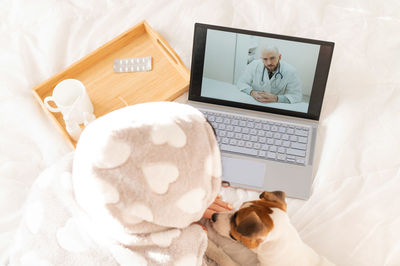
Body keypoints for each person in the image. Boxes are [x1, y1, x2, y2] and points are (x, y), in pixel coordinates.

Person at [237, 44, 302, 104]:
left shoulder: (290, 71)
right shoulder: (254, 65)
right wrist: (252, 92)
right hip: (255, 102)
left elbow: (296, 96)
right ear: (261, 59)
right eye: (265, 59)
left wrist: (276, 98)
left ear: (279, 57)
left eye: (272, 58)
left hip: (276, 105)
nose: (269, 63)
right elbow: (241, 83)